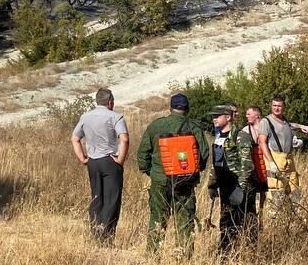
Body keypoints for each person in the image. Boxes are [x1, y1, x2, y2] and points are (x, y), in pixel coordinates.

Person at [137, 93, 208, 254]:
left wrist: (152, 172)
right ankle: (183, 258)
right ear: (187, 109)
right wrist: (191, 173)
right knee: (184, 220)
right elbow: (203, 155)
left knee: (158, 218)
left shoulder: (156, 126)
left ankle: (153, 256)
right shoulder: (194, 127)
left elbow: (142, 154)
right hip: (186, 182)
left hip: (160, 181)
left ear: (170, 108)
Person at [71, 88, 129, 243]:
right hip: (110, 160)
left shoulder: (85, 117)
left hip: (93, 161)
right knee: (111, 199)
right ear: (110, 102)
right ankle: (107, 237)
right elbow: (124, 139)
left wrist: (83, 158)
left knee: (97, 197)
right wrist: (120, 160)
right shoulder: (115, 117)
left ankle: (95, 232)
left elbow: (75, 138)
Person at [206, 104, 256, 255]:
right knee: (226, 221)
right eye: (213, 116)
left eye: (217, 116)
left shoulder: (240, 137)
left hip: (239, 187)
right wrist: (212, 185)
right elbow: (216, 163)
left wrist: (240, 188)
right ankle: (226, 252)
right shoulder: (218, 137)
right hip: (225, 187)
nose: (214, 119)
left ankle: (250, 251)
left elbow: (247, 165)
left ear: (228, 117)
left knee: (245, 220)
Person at [257, 95, 308, 208]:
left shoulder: (284, 121)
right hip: (275, 159)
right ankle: (275, 221)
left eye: (279, 106)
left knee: (294, 190)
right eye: (274, 105)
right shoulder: (266, 122)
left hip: (288, 160)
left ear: (284, 107)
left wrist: (302, 127)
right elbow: (262, 143)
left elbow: (289, 125)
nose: (276, 108)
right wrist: (271, 163)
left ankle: (293, 218)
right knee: (276, 192)